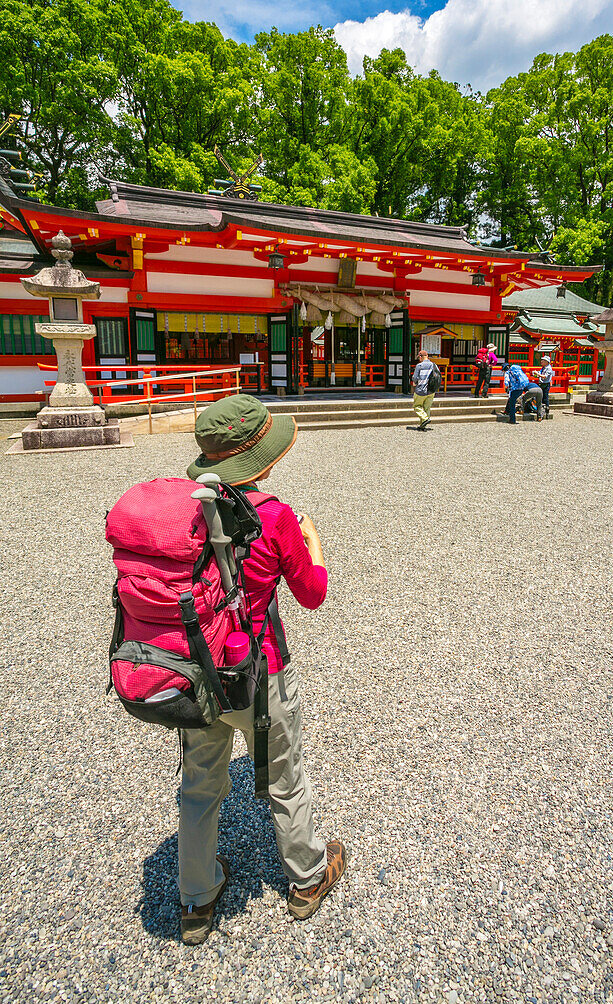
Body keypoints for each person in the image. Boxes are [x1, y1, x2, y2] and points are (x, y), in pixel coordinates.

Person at [179, 395, 346, 945]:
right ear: (258, 459)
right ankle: (306, 877)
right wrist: (314, 542)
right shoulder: (272, 515)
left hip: (195, 666)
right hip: (258, 667)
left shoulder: (186, 508)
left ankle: (197, 899)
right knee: (285, 776)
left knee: (201, 785)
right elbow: (312, 593)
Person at [411, 349, 438, 431]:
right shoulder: (434, 365)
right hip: (431, 390)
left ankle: (425, 419)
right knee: (427, 408)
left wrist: (415, 382)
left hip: (421, 389)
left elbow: (415, 378)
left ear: (420, 356)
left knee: (417, 406)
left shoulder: (419, 366)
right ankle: (423, 425)